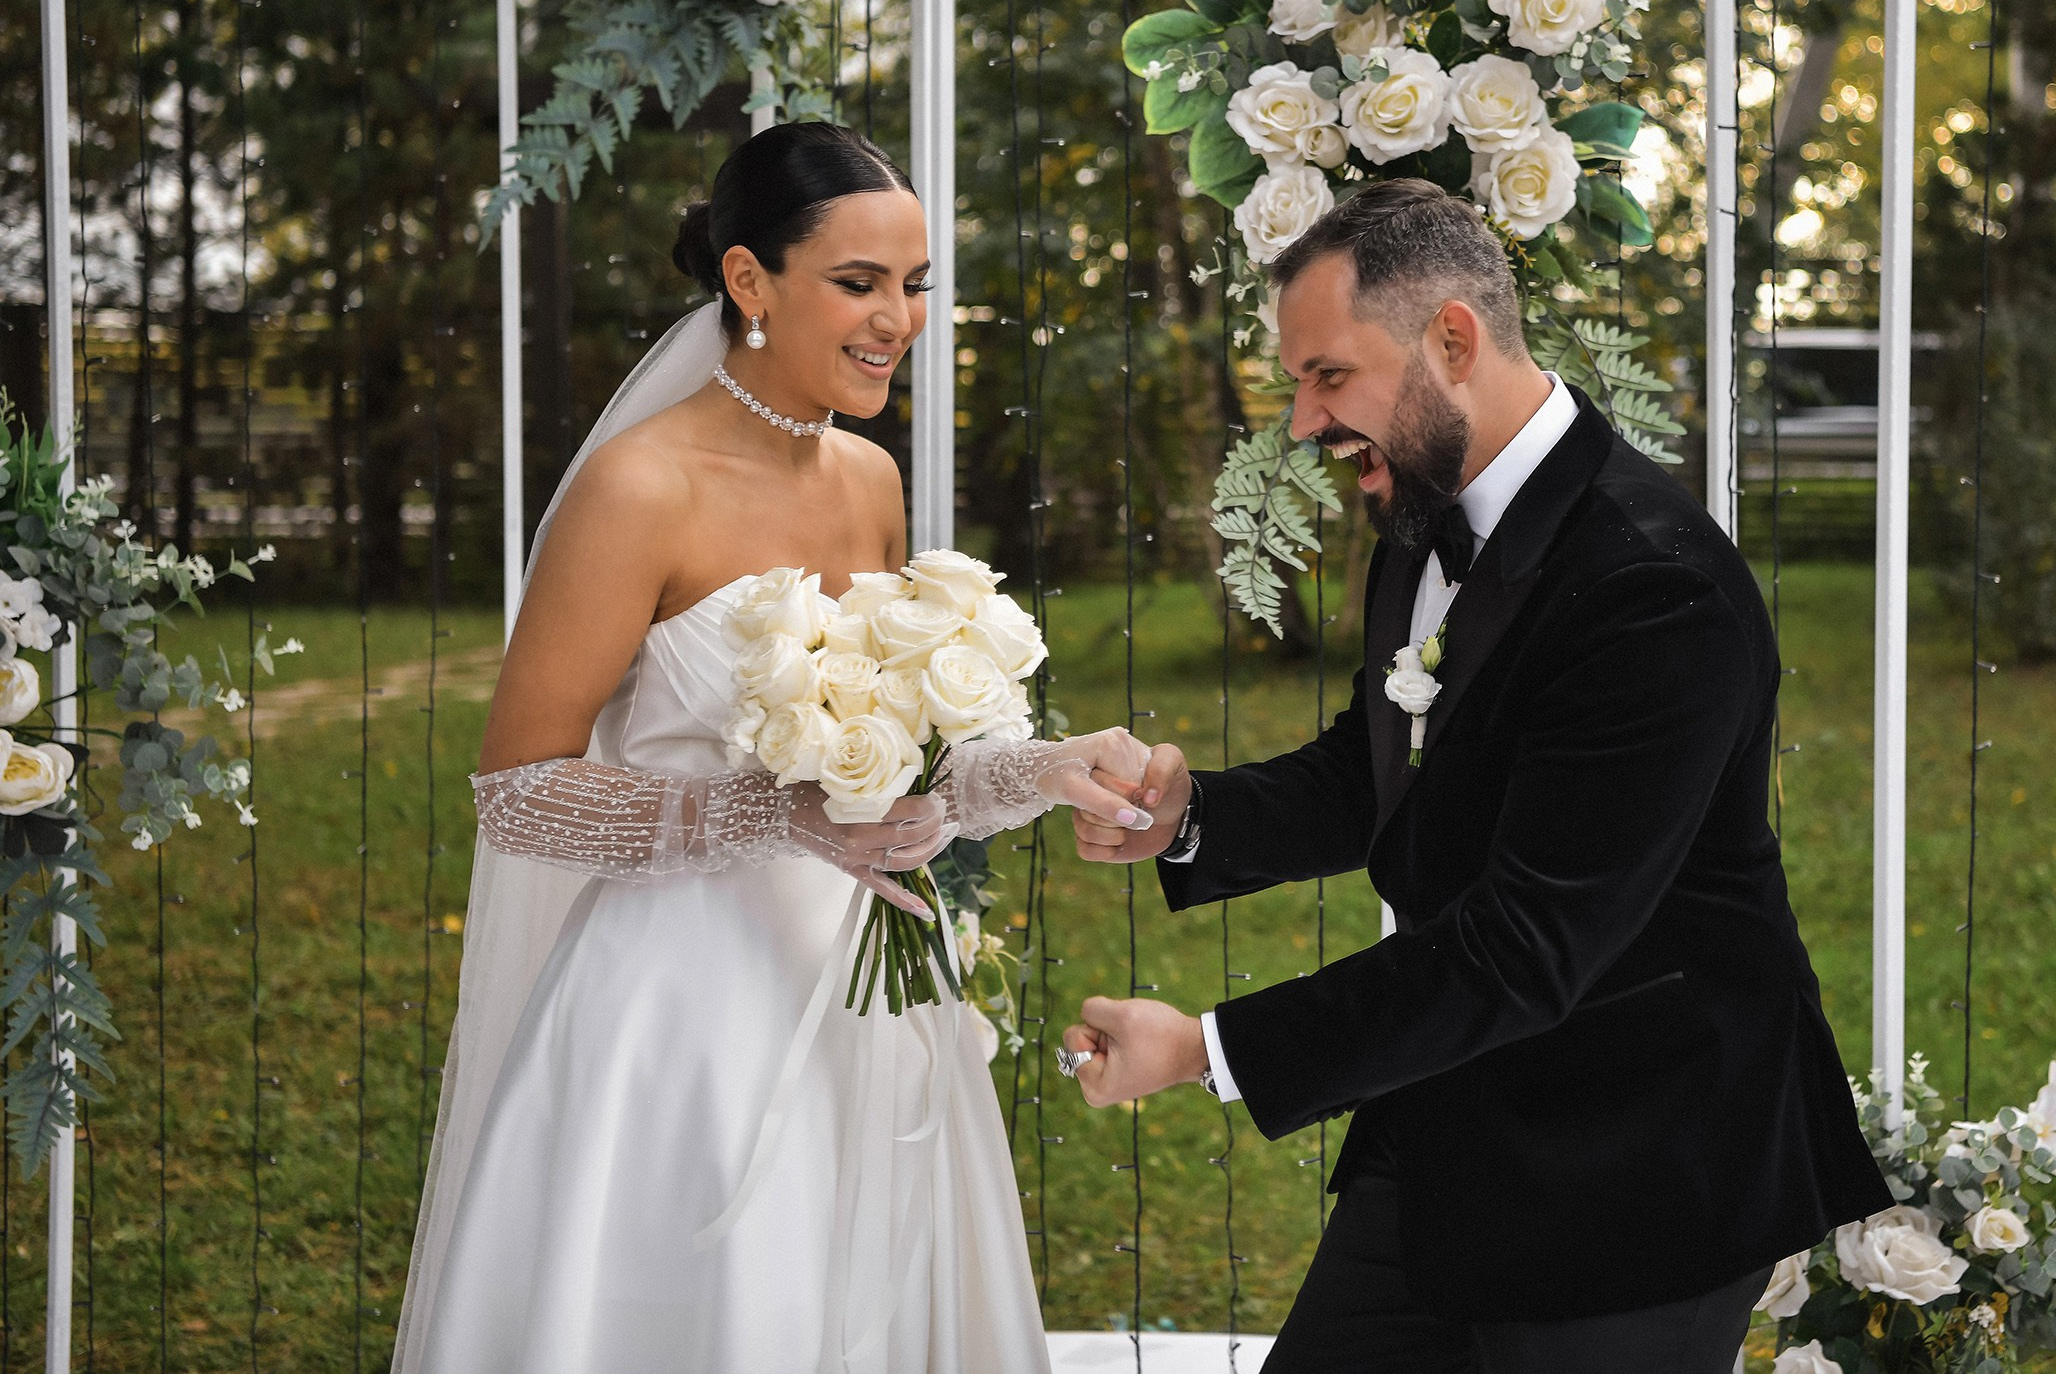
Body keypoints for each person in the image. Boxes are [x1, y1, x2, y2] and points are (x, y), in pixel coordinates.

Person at [1062, 180, 1893, 1373]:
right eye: (1296, 382)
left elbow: (1524, 946)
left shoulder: (1653, 586)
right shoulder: (1422, 518)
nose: (1302, 423)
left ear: (1451, 340)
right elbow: (1388, 771)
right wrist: (1193, 818)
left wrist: (1206, 1049)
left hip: (1642, 1169)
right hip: (1449, 1123)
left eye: (1328, 376)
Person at [394, 124, 1148, 1374]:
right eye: (858, 283)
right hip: (682, 1021)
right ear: (750, 281)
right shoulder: (640, 489)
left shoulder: (870, 478)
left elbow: (887, 771)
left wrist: (1037, 769)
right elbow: (517, 795)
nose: (897, 320)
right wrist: (764, 816)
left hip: (868, 990)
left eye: (913, 285)